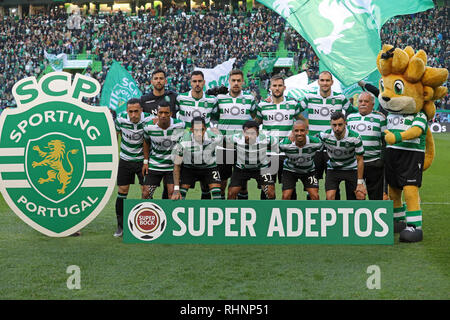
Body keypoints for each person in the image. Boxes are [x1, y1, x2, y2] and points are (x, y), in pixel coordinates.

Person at [299, 71, 355, 199]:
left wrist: (372, 112)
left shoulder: (340, 98)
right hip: (315, 148)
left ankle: (334, 213)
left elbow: (353, 111)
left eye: (327, 80)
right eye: (322, 80)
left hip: (334, 148)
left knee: (334, 186)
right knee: (312, 185)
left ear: (332, 82)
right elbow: (294, 109)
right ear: (318, 82)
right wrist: (304, 121)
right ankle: (311, 214)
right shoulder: (309, 97)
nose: (325, 83)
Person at [255, 75, 304, 199]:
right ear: (270, 87)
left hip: (287, 154)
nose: (277, 88)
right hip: (268, 154)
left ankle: (291, 217)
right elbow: (255, 126)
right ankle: (265, 216)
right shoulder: (262, 106)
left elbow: (302, 122)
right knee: (267, 191)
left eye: (279, 85)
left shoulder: (292, 104)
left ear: (284, 87)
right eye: (274, 86)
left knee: (289, 191)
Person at [212, 69, 257, 199]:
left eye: (238, 80)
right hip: (224, 146)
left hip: (242, 147)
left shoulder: (249, 99)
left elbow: (257, 117)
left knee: (242, 184)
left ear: (243, 82)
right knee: (222, 182)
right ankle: (221, 212)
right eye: (233, 81)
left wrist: (251, 132)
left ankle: (242, 212)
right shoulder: (220, 99)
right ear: (229, 82)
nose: (236, 83)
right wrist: (214, 128)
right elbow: (213, 117)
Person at [114, 98, 154, 237]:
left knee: (146, 191)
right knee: (122, 191)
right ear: (127, 111)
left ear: (141, 110)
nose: (133, 115)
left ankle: (146, 224)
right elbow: (115, 136)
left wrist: (147, 159)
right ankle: (121, 226)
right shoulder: (120, 120)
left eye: (136, 111)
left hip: (142, 161)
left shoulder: (149, 120)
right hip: (125, 160)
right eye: (130, 112)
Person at [176, 70, 218, 199]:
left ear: (204, 83)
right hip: (186, 146)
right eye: (194, 81)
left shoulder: (212, 100)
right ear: (190, 83)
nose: (197, 84)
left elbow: (216, 119)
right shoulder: (181, 98)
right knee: (178, 183)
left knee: (207, 185)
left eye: (200, 81)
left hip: (205, 144)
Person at [346, 92, 387, 200]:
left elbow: (385, 141)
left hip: (373, 163)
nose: (363, 103)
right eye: (360, 101)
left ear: (373, 104)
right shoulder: (350, 118)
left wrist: (381, 160)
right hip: (354, 165)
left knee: (376, 197)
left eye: (366, 101)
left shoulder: (380, 118)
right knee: (355, 196)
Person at [318, 111, 366, 200]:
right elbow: (309, 140)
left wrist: (360, 182)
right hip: (333, 169)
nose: (337, 128)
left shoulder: (355, 137)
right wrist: (293, 134)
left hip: (351, 169)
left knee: (360, 196)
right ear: (330, 124)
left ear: (345, 123)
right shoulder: (324, 135)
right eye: (334, 125)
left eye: (340, 125)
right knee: (330, 197)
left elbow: (360, 159)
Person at [171, 117, 222, 200]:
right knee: (181, 194)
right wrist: (176, 189)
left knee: (217, 192)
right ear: (191, 130)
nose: (199, 133)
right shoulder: (184, 142)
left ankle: (215, 211)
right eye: (196, 130)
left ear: (205, 129)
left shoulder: (214, 138)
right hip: (190, 168)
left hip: (209, 167)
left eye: (201, 130)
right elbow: (177, 165)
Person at [142, 104, 185, 199]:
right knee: (146, 194)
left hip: (171, 167)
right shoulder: (149, 127)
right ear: (157, 114)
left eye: (166, 113)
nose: (163, 115)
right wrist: (145, 161)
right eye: (161, 112)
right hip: (155, 164)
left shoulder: (179, 125)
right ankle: (151, 212)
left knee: (172, 195)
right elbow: (146, 142)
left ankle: (169, 214)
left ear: (171, 114)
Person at [227, 120, 277, 200]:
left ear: (257, 133)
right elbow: (221, 141)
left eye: (252, 133)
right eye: (247, 133)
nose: (249, 136)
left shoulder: (266, 139)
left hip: (262, 169)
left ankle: (269, 211)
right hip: (241, 168)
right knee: (231, 193)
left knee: (270, 193)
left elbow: (279, 144)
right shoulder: (236, 138)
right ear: (243, 132)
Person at [279, 120, 322, 200]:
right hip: (290, 171)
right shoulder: (285, 144)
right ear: (292, 132)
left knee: (315, 196)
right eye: (296, 131)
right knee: (286, 196)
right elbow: (274, 149)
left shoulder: (316, 143)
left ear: (306, 131)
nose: (299, 133)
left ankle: (311, 211)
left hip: (309, 171)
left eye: (302, 130)